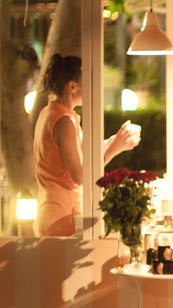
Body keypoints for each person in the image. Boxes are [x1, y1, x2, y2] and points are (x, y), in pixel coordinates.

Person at [33, 53, 140, 236]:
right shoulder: (64, 121)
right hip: (62, 216)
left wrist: (112, 142)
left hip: (51, 212)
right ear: (72, 86)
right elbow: (81, 175)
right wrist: (114, 149)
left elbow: (79, 154)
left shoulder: (49, 113)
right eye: (87, 83)